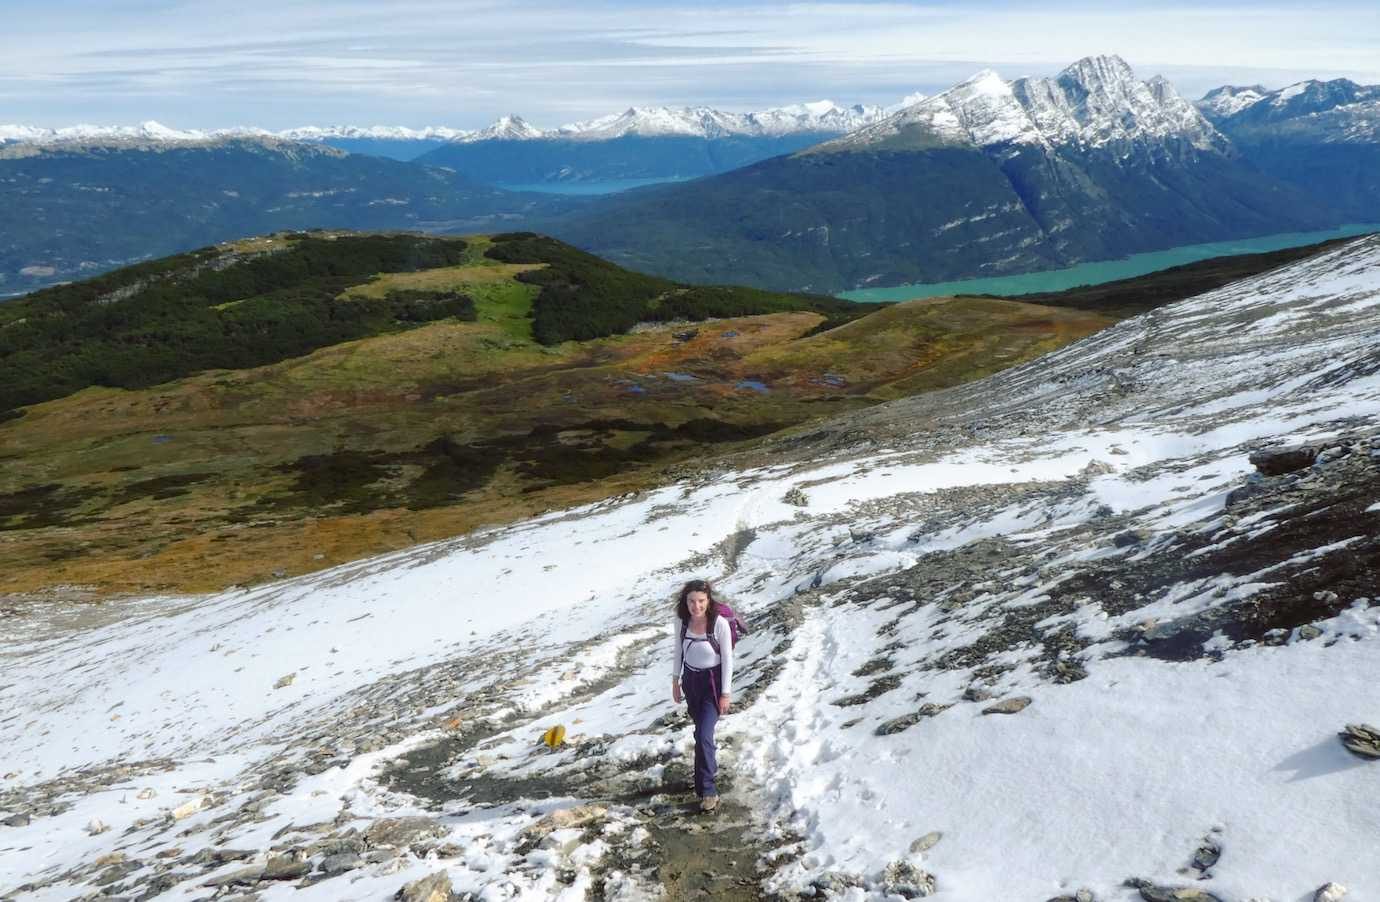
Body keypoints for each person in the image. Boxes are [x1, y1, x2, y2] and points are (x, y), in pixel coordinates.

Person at [670, 578, 734, 812]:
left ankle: (708, 790)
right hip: (690, 681)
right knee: (700, 732)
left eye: (701, 601)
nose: (696, 606)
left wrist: (725, 693)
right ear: (685, 601)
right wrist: (675, 680)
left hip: (712, 682)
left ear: (708, 601)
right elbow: (678, 650)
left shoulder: (718, 623)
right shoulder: (681, 621)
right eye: (691, 601)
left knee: (705, 733)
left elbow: (728, 659)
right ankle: (701, 782)